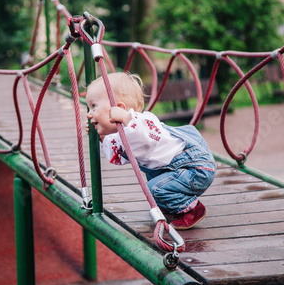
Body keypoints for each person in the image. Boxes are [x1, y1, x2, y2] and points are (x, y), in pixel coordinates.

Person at [85, 72, 215, 230]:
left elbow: (145, 137)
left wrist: (126, 118)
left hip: (195, 168)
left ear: (119, 108)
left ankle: (193, 209)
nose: (89, 113)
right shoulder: (121, 134)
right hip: (175, 170)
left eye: (94, 106)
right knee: (154, 184)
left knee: (155, 188)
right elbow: (118, 158)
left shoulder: (144, 121)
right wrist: (102, 138)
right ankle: (172, 205)